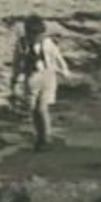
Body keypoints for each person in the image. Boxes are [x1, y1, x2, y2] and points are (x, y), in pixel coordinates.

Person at [9, 15, 71, 152]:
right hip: (31, 76)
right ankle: (41, 135)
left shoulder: (47, 42)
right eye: (33, 34)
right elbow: (17, 62)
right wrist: (14, 78)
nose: (36, 37)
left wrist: (64, 71)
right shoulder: (22, 43)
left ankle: (44, 138)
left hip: (47, 75)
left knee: (41, 108)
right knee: (32, 108)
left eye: (39, 34)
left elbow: (57, 56)